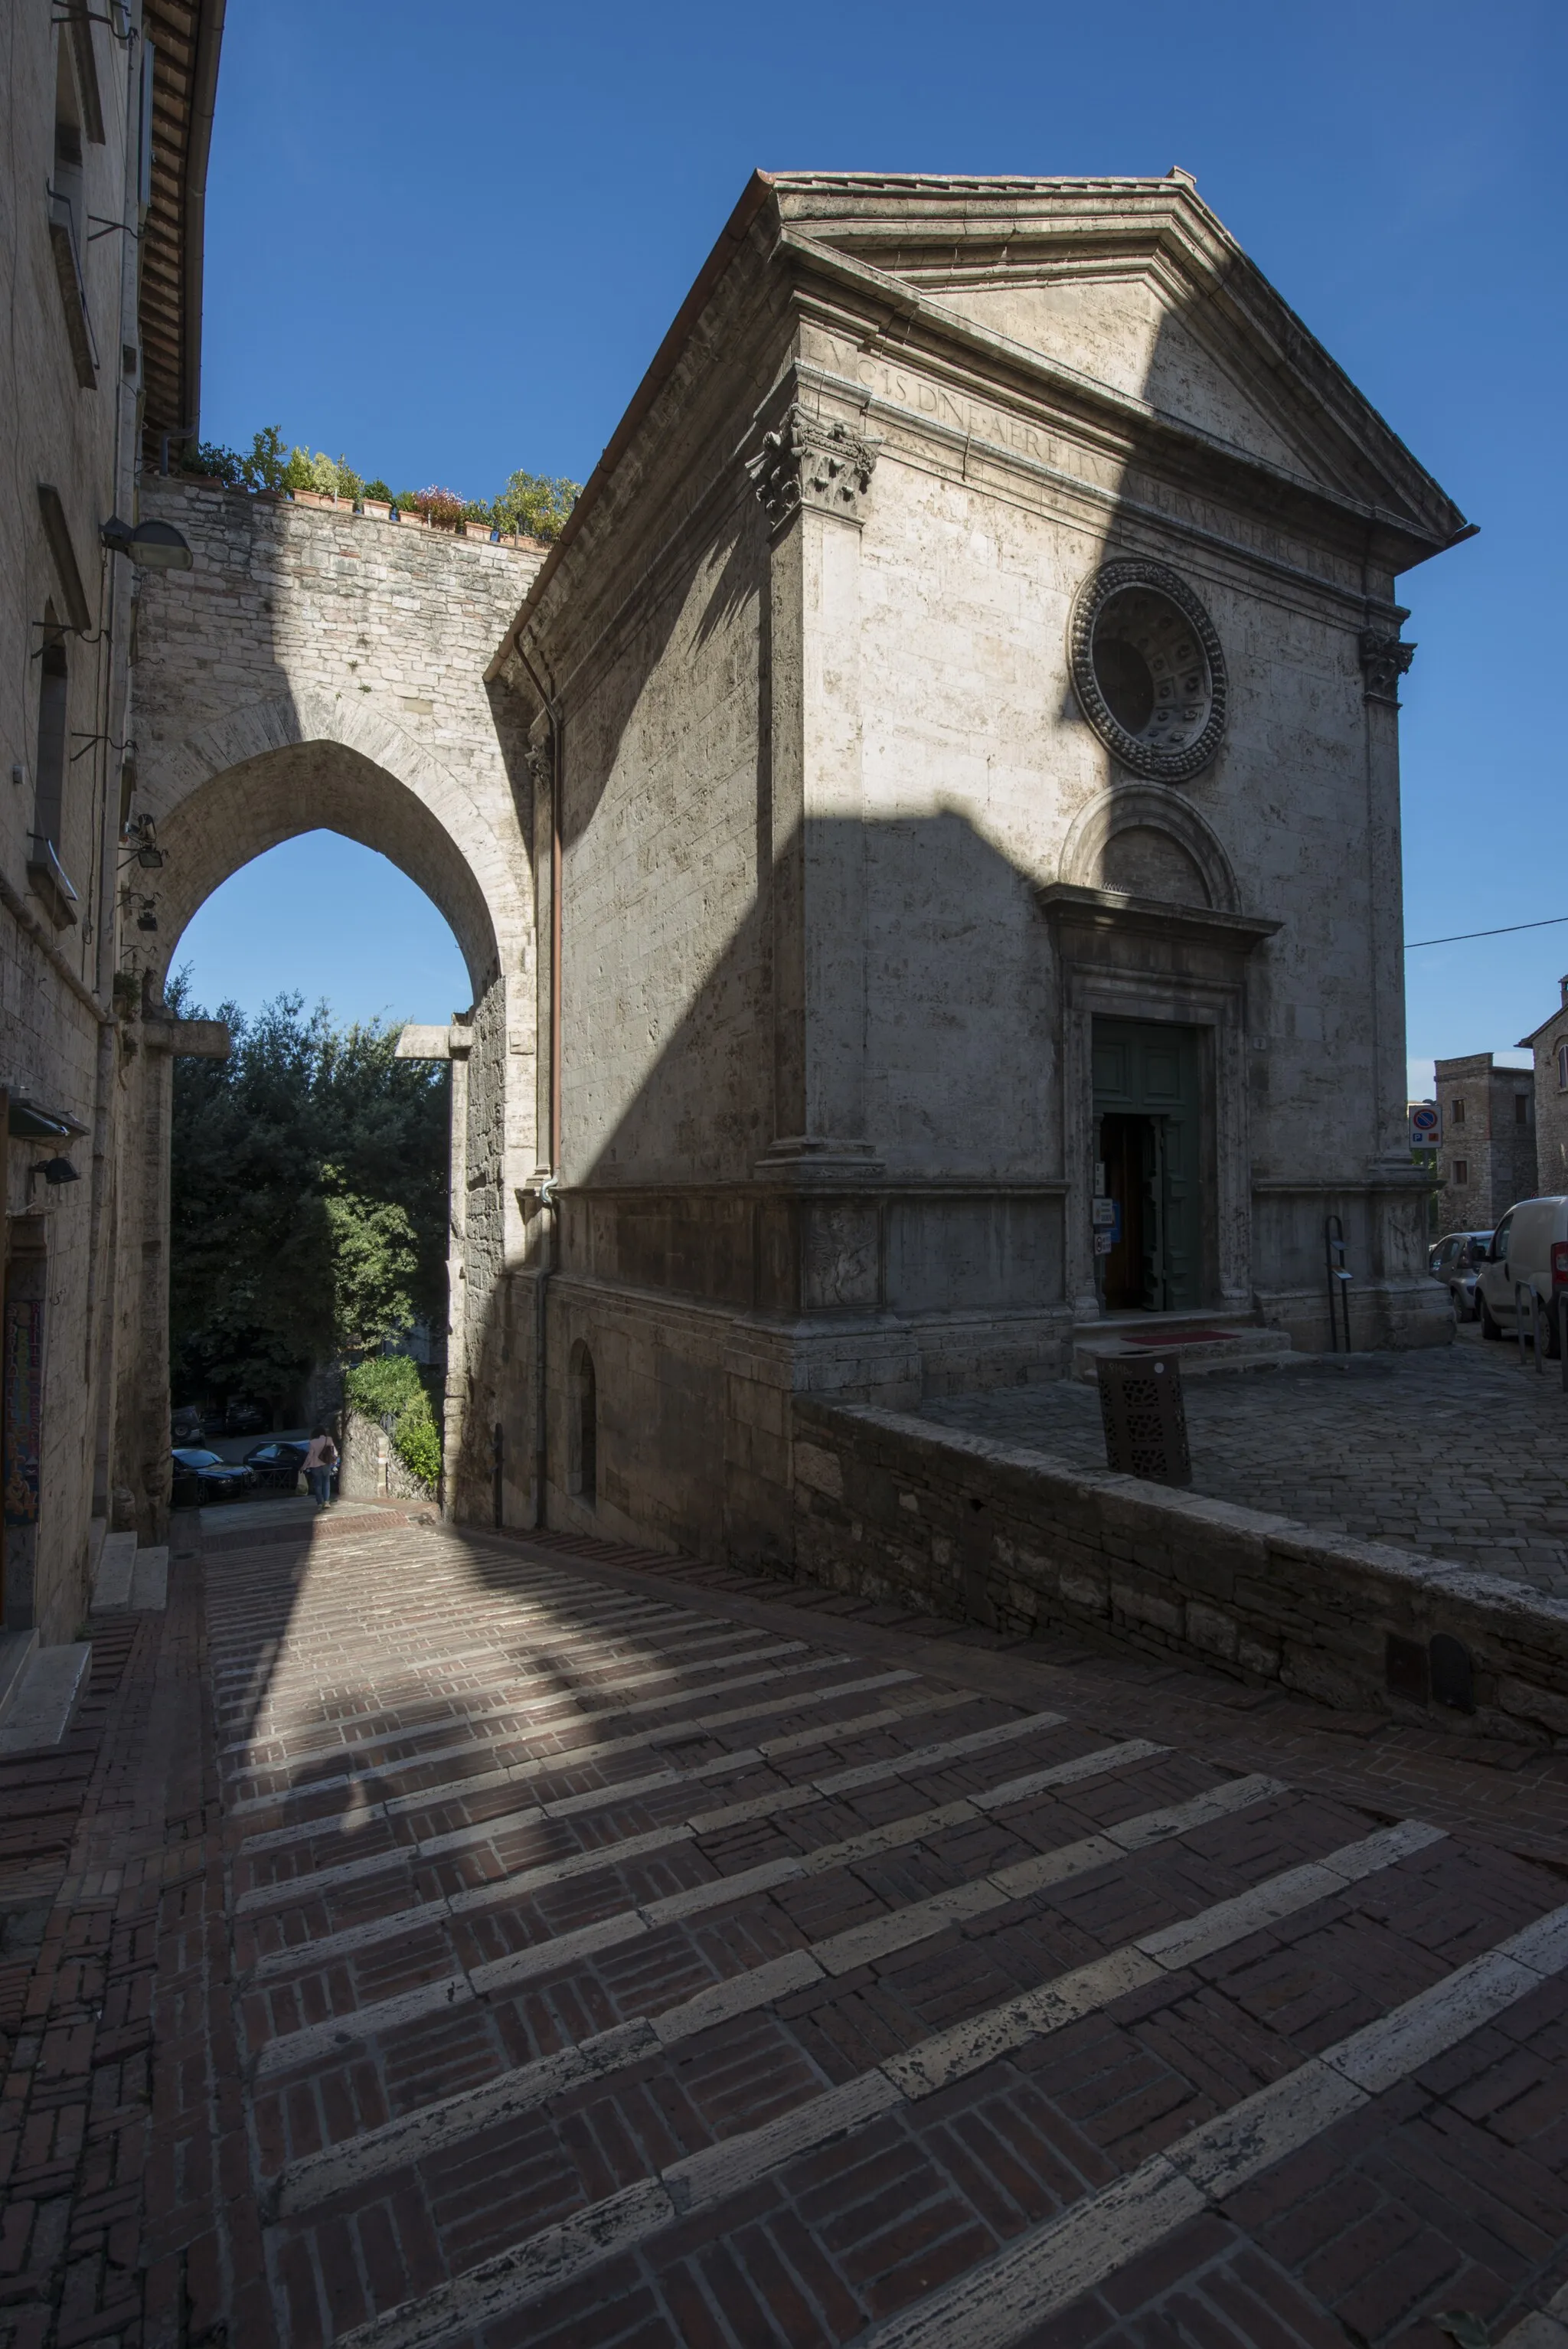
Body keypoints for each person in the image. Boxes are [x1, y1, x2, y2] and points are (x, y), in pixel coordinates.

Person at [303, 1426, 338, 1510]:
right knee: (326, 1482)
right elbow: (335, 1452)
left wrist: (304, 1466)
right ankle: (326, 1502)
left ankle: (319, 1503)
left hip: (315, 1466)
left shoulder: (312, 1442)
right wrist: (334, 1461)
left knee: (318, 1484)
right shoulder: (329, 1439)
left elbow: (310, 1456)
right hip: (326, 1464)